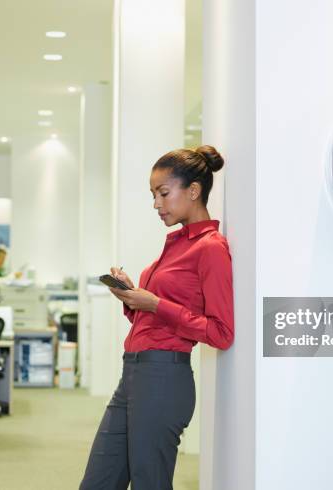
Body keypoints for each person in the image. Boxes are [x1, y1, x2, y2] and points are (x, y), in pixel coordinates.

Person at [79, 145, 234, 490]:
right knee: (98, 482)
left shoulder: (210, 247)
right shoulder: (175, 244)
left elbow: (221, 332)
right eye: (154, 195)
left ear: (193, 191)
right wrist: (133, 298)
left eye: (163, 193)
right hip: (132, 373)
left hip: (164, 378)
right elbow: (153, 319)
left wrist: (155, 304)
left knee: (151, 482)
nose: (156, 204)